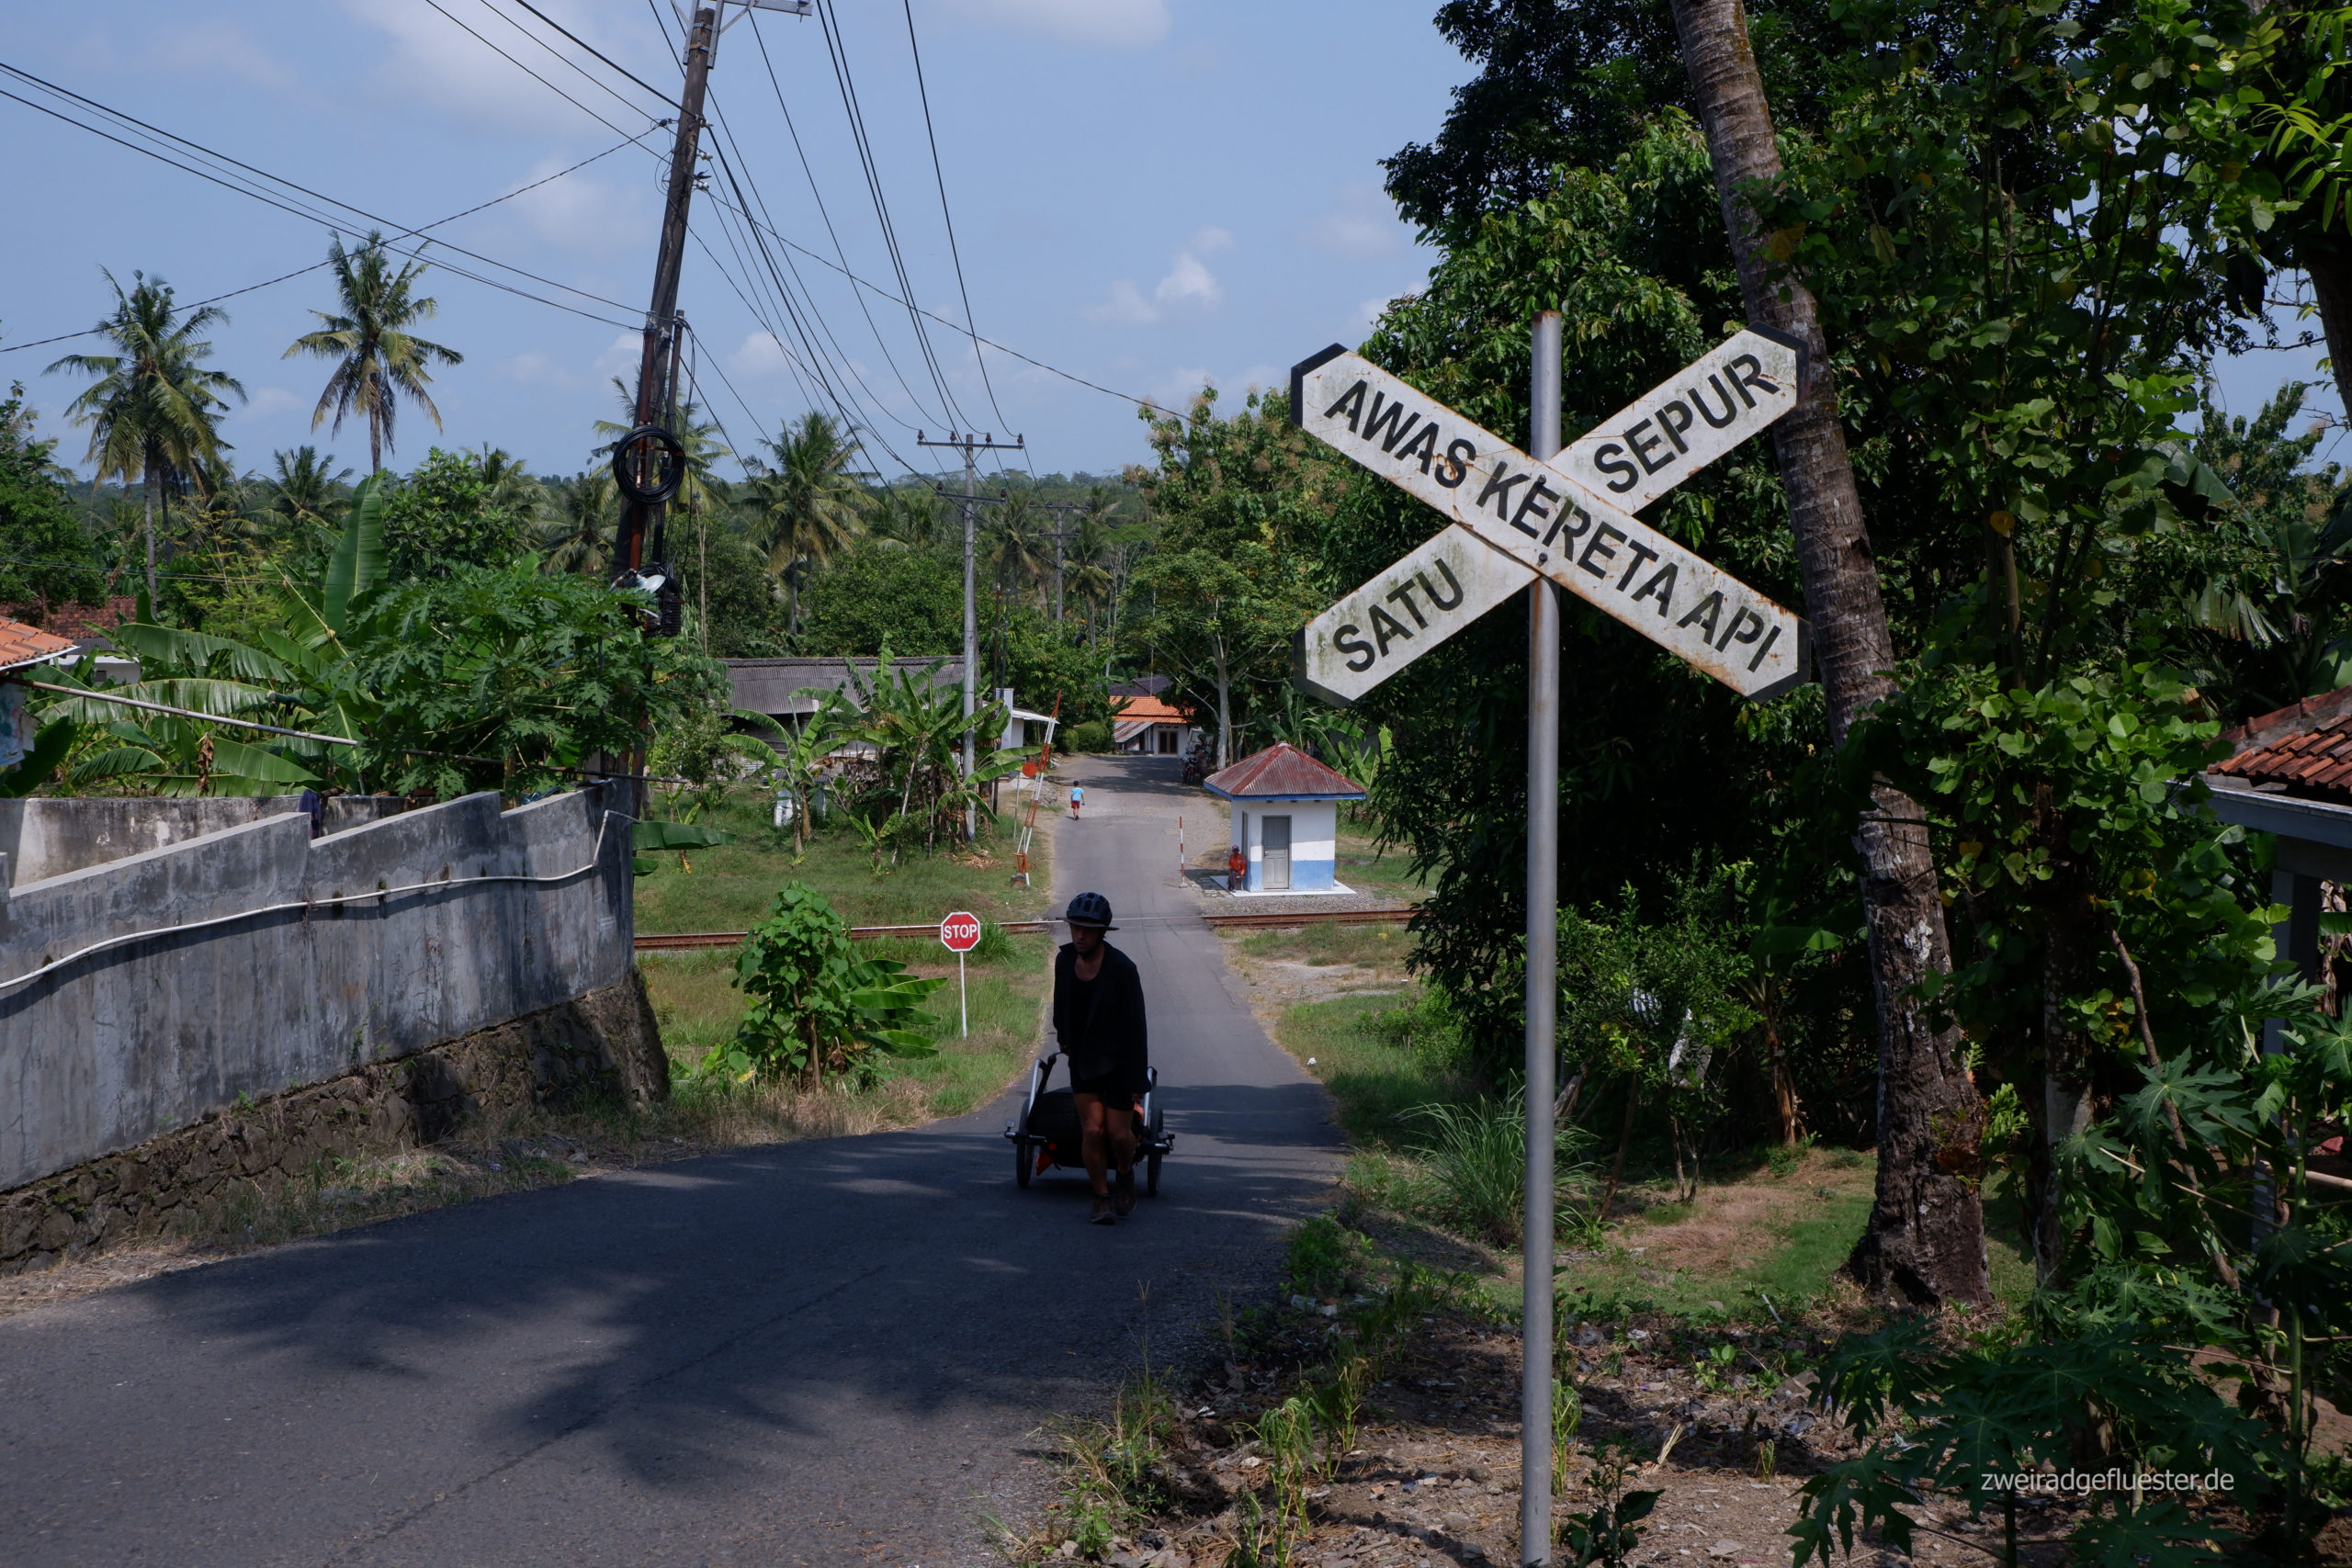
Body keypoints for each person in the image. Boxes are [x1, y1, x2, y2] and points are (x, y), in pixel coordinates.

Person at [1053, 890, 1148, 1223]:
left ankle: (1124, 1171)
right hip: (1083, 1059)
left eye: (1087, 930)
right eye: (1075, 928)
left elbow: (1137, 1026)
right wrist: (1065, 1041)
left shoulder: (1122, 968)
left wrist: (1137, 1078)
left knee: (1118, 1133)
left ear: (1102, 932)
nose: (1079, 935)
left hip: (1120, 1062)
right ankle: (1101, 1197)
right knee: (1092, 1130)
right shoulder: (1064, 961)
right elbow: (1059, 1007)